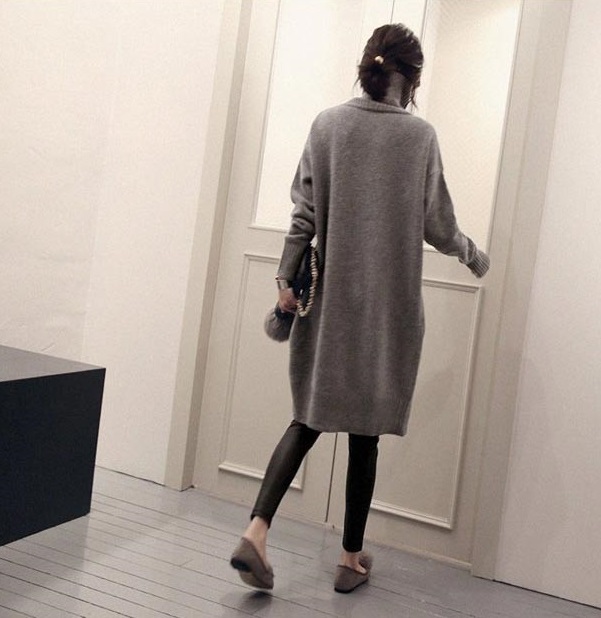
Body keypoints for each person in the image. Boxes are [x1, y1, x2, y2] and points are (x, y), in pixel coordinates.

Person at [230, 22, 490, 594]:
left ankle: (256, 530)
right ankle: (350, 559)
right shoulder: (419, 138)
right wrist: (472, 254)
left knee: (307, 419)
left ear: (366, 68)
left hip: (328, 306)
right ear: (411, 79)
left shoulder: (327, 125)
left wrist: (284, 279)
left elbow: (303, 213)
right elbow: (438, 224)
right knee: (365, 434)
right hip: (386, 312)